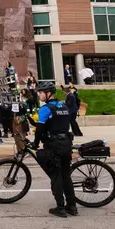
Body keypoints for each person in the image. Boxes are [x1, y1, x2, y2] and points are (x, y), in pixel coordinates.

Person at [30, 81, 77, 218]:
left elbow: (40, 129)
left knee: (56, 176)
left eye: (40, 93)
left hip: (54, 145)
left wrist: (35, 143)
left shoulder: (46, 108)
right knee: (65, 175)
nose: (39, 95)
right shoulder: (63, 106)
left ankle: (60, 208)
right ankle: (72, 207)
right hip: (66, 144)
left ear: (48, 93)